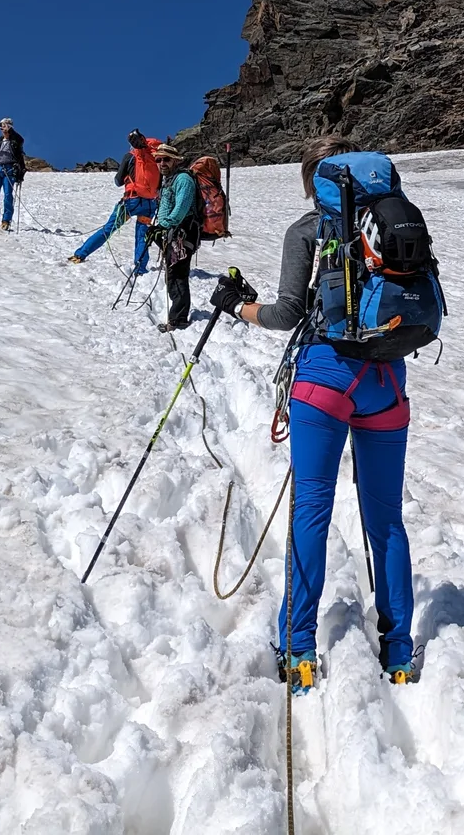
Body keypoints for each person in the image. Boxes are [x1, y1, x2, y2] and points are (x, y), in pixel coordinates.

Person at [210, 135, 417, 690]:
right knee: (386, 520)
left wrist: (236, 306)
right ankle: (399, 653)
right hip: (386, 380)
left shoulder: (306, 229)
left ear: (315, 181)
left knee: (311, 512)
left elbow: (286, 313)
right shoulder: (389, 222)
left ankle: (299, 646)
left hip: (324, 377)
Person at [69, 130, 162, 269]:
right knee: (142, 235)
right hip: (149, 203)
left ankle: (80, 254)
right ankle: (140, 268)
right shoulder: (156, 157)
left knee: (108, 229)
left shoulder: (130, 156)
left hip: (131, 201)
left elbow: (118, 181)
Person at [148, 144, 202, 330]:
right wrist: (158, 231)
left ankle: (178, 320)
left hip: (183, 232)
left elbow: (181, 208)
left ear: (176, 161)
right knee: (173, 274)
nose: (162, 163)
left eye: (166, 159)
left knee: (177, 275)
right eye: (158, 159)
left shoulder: (183, 179)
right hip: (173, 233)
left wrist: (162, 226)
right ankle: (178, 317)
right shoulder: (169, 181)